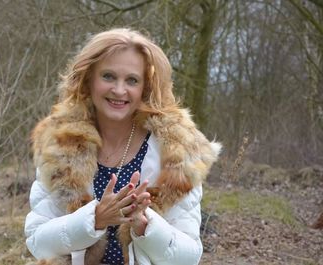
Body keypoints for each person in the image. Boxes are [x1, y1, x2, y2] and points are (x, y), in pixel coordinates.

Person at [25, 28, 221, 265]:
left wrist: (145, 225)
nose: (119, 90)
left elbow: (189, 256)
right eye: (108, 76)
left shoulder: (178, 156)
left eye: (132, 80)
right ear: (89, 79)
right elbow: (38, 242)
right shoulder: (60, 146)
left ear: (145, 87)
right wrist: (94, 219)